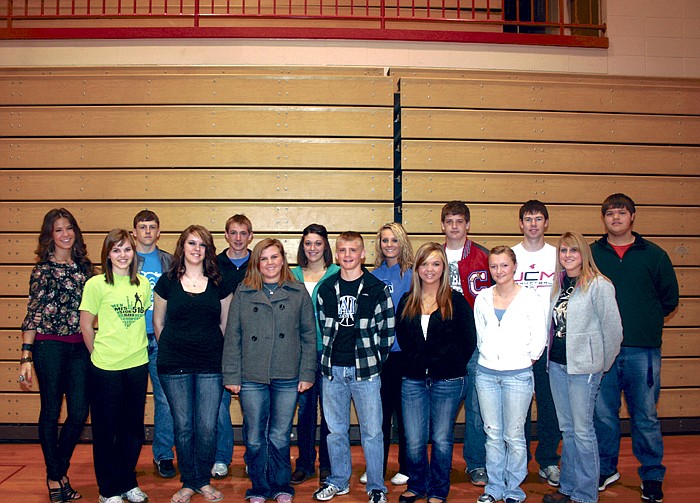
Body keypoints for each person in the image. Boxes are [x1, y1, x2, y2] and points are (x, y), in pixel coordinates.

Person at [592, 194, 679, 503]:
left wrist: (645, 321)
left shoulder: (653, 255)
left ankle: (652, 474)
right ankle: (605, 468)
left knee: (645, 416)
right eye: (610, 213)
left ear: (632, 217)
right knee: (603, 415)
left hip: (642, 350)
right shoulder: (592, 255)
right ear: (603, 219)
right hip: (603, 351)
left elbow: (669, 299)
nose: (616, 218)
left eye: (622, 212)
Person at [223, 238, 317, 503]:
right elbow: (233, 336)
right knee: (254, 436)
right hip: (252, 375)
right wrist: (232, 374)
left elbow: (309, 336)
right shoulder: (243, 292)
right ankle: (259, 486)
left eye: (274, 257)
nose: (270, 263)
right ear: (257, 263)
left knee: (279, 434)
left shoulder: (298, 292)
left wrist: (307, 373)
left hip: (288, 374)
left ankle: (281, 485)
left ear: (282, 260)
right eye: (264, 258)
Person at [312, 231, 395, 503]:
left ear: (362, 254)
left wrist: (374, 360)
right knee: (336, 430)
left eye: (353, 250)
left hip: (366, 372)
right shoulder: (325, 289)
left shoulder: (376, 288)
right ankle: (339, 480)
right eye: (343, 250)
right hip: (333, 370)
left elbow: (387, 332)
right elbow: (322, 327)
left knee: (372, 431)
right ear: (337, 254)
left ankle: (376, 487)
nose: (348, 255)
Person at [153, 225, 233, 503]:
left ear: (208, 250)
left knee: (208, 425)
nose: (196, 249)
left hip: (211, 363)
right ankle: (189, 481)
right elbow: (158, 322)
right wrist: (175, 347)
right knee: (184, 425)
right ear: (182, 247)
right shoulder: (166, 282)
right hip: (174, 363)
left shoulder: (220, 283)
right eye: (191, 243)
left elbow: (225, 324)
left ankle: (203, 480)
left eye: (202, 245)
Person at [19, 208, 94, 503]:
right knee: (51, 411)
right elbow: (33, 314)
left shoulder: (85, 268)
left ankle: (56, 471)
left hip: (79, 348)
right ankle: (56, 477)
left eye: (69, 228)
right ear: (50, 236)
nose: (65, 234)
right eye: (59, 230)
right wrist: (25, 356)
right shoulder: (42, 270)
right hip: (48, 346)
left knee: (78, 411)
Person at [543, 232, 623, 503]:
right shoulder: (559, 284)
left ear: (584, 254)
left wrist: (599, 364)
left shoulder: (599, 285)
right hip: (556, 365)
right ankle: (567, 487)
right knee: (567, 430)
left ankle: (586, 494)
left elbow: (613, 331)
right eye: (563, 251)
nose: (567, 255)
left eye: (573, 251)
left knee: (582, 430)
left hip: (584, 370)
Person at [396, 243, 476, 503]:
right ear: (417, 268)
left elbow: (468, 341)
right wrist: (417, 364)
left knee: (442, 439)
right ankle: (417, 485)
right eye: (424, 264)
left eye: (436, 264)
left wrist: (449, 364)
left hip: (448, 381)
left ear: (443, 268)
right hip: (414, 381)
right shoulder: (407, 301)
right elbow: (403, 338)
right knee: (415, 440)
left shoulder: (457, 301)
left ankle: (439, 489)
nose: (429, 269)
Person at [79, 229, 152, 503]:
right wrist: (98, 356)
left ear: (134, 253)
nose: (123, 255)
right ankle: (108, 489)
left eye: (127, 250)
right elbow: (86, 326)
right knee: (106, 430)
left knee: (132, 431)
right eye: (116, 250)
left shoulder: (142, 284)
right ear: (108, 254)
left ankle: (126, 481)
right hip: (106, 368)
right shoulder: (96, 284)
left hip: (137, 364)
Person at [473, 245, 546, 503]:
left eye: (504, 265)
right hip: (486, 374)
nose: (499, 271)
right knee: (492, 433)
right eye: (493, 266)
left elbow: (539, 336)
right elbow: (480, 333)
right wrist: (490, 357)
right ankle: (493, 487)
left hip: (518, 376)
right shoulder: (482, 298)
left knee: (514, 435)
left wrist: (525, 360)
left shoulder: (530, 298)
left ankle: (514, 488)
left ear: (514, 266)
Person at [358, 223, 414, 487]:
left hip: (405, 354)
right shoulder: (372, 275)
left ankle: (406, 466)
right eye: (384, 240)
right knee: (378, 416)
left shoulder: (412, 275)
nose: (389, 245)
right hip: (379, 355)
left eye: (394, 240)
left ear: (402, 242)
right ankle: (376, 466)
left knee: (404, 415)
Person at [512, 200, 562, 487]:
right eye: (528, 219)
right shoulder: (511, 255)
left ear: (546, 223)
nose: (533, 223)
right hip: (517, 345)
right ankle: (518, 463)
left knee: (548, 405)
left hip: (550, 344)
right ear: (520, 224)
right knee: (517, 409)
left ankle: (547, 460)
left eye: (538, 218)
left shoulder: (558, 256)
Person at [441, 200, 490, 486]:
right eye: (450, 221)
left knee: (475, 408)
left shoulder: (483, 256)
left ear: (468, 224)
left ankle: (476, 463)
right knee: (441, 409)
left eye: (460, 221)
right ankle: (441, 463)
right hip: (441, 344)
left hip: (475, 344)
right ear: (443, 225)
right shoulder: (433, 255)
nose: (455, 226)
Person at [290, 224, 340, 486]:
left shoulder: (336, 273)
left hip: (330, 351)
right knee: (306, 410)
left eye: (317, 243)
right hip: (301, 352)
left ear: (325, 246)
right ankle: (305, 463)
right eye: (308, 243)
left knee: (330, 412)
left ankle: (328, 465)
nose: (312, 248)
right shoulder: (292, 274)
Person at [132, 209, 176, 479]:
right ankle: (128, 456)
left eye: (152, 227)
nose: (147, 231)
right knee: (131, 401)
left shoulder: (169, 261)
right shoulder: (124, 258)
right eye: (142, 227)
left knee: (166, 400)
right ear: (134, 232)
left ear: (159, 232)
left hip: (161, 338)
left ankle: (164, 455)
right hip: (132, 341)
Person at [212, 214, 254, 479]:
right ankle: (221, 457)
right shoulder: (213, 264)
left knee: (252, 406)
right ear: (226, 235)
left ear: (250, 236)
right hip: (219, 342)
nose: (238, 238)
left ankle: (253, 456)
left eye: (243, 233)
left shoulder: (259, 263)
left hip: (253, 346)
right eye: (233, 233)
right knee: (219, 405)